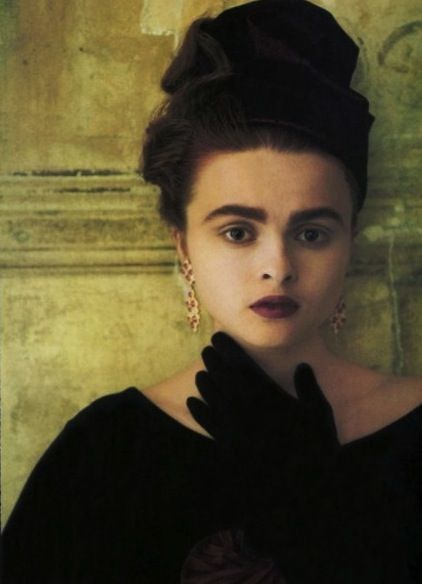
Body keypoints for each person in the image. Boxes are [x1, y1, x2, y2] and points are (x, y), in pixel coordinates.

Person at [2, 1, 421, 582]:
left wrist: (323, 511)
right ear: (184, 246)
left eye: (311, 232)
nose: (277, 267)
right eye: (238, 232)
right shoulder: (105, 452)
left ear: (349, 240)